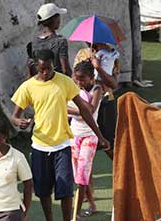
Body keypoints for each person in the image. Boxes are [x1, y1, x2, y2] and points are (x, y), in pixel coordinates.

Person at [11, 49, 109, 221]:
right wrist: (19, 122)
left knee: (65, 190)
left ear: (53, 65)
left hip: (63, 145)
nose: (46, 72)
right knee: (43, 191)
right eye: (42, 69)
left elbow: (85, 111)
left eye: (49, 68)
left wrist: (99, 135)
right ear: (36, 66)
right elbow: (14, 116)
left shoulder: (64, 81)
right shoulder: (27, 87)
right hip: (40, 146)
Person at [66, 62, 102, 218]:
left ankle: (77, 212)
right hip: (74, 136)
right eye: (76, 79)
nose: (79, 82)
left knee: (82, 175)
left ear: (92, 78)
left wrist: (78, 99)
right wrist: (79, 111)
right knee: (80, 175)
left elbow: (91, 110)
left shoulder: (97, 89)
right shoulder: (72, 88)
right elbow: (63, 107)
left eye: (82, 79)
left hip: (90, 136)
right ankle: (92, 204)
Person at [27, 3, 72, 78]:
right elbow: (65, 70)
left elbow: (34, 67)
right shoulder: (60, 41)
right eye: (58, 16)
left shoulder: (35, 42)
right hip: (57, 83)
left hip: (41, 83)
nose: (59, 19)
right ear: (54, 19)